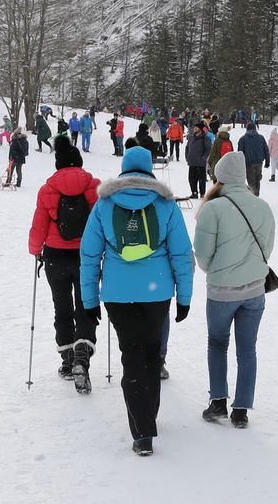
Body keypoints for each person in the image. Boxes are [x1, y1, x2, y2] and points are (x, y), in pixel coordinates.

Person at [80, 146, 194, 456]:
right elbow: (182, 254)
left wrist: (89, 300)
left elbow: (90, 256)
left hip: (117, 293)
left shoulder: (104, 204)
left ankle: (142, 431)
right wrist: (184, 297)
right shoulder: (166, 205)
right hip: (157, 293)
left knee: (131, 354)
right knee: (152, 354)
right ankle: (148, 416)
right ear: (149, 171)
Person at [193, 152, 274, 429]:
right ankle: (241, 410)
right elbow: (268, 249)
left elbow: (202, 256)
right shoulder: (262, 206)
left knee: (217, 343)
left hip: (221, 292)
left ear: (220, 177)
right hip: (254, 291)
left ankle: (218, 402)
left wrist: (218, 270)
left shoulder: (212, 209)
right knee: (247, 349)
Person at [29, 137, 100, 388]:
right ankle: (83, 353)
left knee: (62, 307)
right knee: (86, 305)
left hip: (55, 257)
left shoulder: (47, 189)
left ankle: (68, 358)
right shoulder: (94, 187)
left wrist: (35, 250)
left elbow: (39, 225)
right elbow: (101, 222)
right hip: (86, 256)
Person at [235, 123, 269, 195]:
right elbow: (266, 150)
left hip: (248, 163)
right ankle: (256, 195)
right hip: (259, 162)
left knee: (251, 180)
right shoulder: (261, 138)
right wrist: (267, 161)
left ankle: (254, 196)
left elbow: (240, 153)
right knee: (257, 179)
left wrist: (239, 164)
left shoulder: (243, 139)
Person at [185, 121, 212, 198]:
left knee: (201, 179)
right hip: (192, 162)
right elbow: (187, 148)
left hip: (200, 163)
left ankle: (202, 193)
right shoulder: (191, 137)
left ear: (200, 129)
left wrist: (204, 158)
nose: (195, 128)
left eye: (196, 127)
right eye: (194, 127)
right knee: (191, 179)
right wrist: (187, 156)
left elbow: (208, 149)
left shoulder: (205, 138)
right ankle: (194, 193)